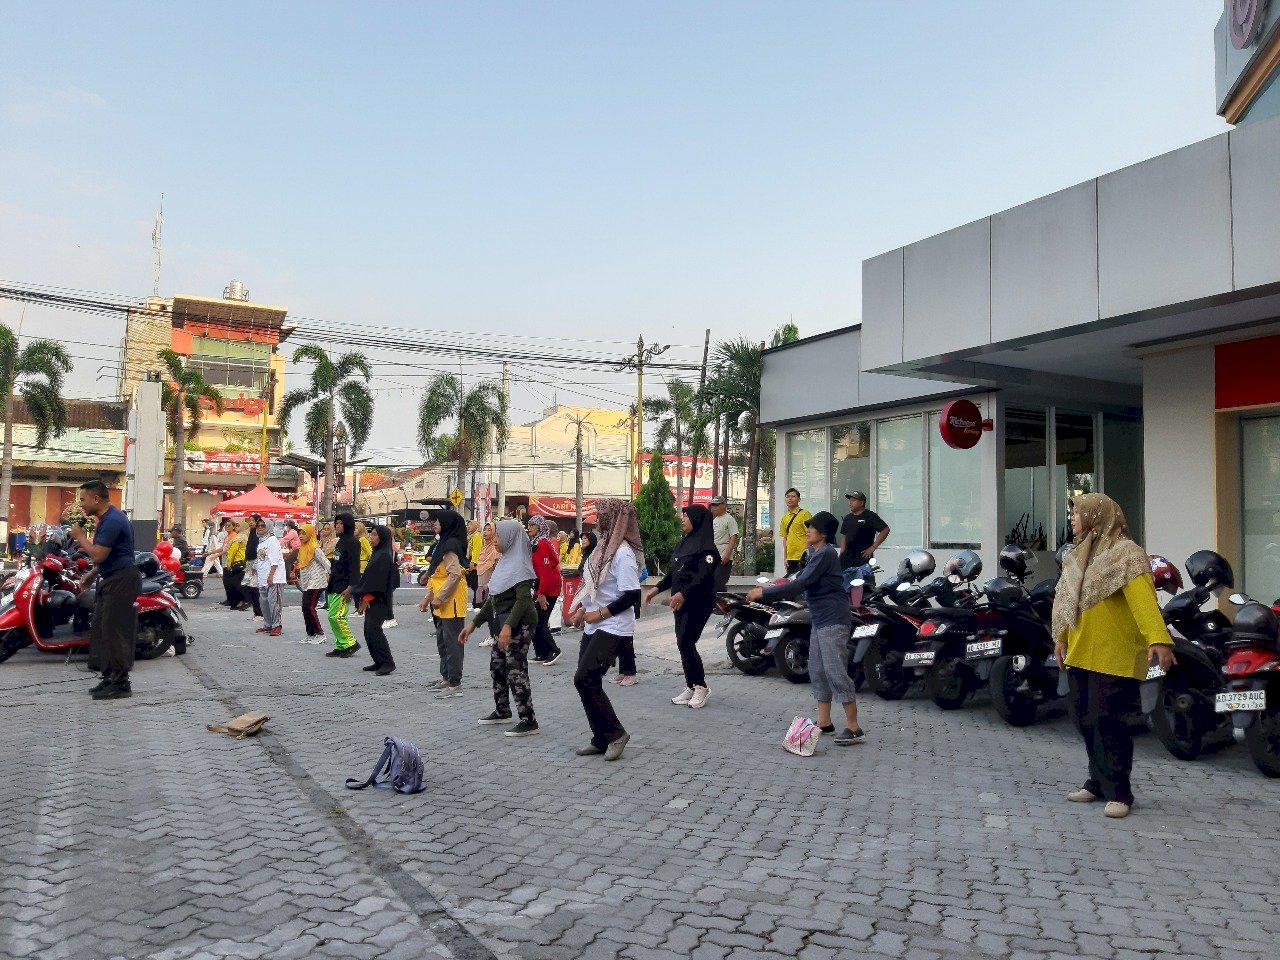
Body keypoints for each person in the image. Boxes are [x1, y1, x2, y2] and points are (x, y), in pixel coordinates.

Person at [1051, 493, 1175, 820]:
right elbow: (1066, 600)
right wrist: (1061, 637)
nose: (1072, 519)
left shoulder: (1127, 555)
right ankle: (1097, 781)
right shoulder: (1079, 555)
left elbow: (1144, 602)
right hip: (1080, 650)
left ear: (1097, 515)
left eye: (1077, 513)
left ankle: (1120, 791)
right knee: (1082, 717)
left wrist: (1158, 639)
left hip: (1115, 653)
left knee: (1110, 722)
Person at [749, 511, 865, 746]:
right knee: (817, 669)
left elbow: (801, 583)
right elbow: (797, 578)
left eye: (812, 527)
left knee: (834, 670)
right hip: (820, 619)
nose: (808, 530)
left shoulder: (826, 553)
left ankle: (854, 727)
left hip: (833, 618)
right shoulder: (815, 553)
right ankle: (824, 722)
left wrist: (764, 592)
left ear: (823, 534)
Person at [567, 498, 642, 761]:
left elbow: (632, 595)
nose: (596, 520)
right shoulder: (603, 549)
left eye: (601, 515)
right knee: (586, 681)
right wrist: (581, 611)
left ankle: (616, 734)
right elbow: (595, 587)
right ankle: (600, 738)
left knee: (584, 678)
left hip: (614, 626)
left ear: (613, 519)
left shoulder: (622, 554)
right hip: (594, 625)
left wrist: (598, 614)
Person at [460, 519, 540, 737]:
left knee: (516, 668)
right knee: (497, 666)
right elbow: (493, 600)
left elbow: (523, 601)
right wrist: (473, 624)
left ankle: (528, 719)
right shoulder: (504, 563)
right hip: (505, 623)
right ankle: (502, 710)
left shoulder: (521, 566)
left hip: (521, 623)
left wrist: (507, 628)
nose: (494, 540)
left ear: (509, 538)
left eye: (497, 536)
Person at [70, 480, 140, 701]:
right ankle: (110, 676)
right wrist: (91, 575)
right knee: (102, 631)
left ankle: (121, 684)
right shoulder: (106, 518)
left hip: (121, 581)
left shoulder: (112, 520)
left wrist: (80, 536)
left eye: (83, 499)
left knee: (115, 633)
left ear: (96, 499)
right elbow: (107, 556)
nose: (81, 504)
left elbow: (98, 554)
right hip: (111, 578)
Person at [645, 505, 719, 709]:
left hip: (698, 601)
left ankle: (701, 686)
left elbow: (703, 577)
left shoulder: (708, 548)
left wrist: (683, 593)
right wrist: (657, 589)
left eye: (686, 516)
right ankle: (691, 685)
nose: (682, 519)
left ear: (696, 519)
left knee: (687, 641)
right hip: (680, 602)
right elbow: (674, 573)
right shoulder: (685, 543)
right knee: (681, 642)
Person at [420, 509, 468, 697]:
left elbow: (454, 575)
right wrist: (428, 598)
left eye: (438, 521)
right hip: (441, 600)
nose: (435, 524)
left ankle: (455, 684)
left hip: (452, 600)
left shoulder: (450, 546)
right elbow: (437, 575)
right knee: (442, 641)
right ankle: (446, 677)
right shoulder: (442, 544)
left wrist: (440, 597)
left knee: (453, 642)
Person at [353, 524, 397, 675]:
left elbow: (379, 581)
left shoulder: (384, 555)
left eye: (375, 535)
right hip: (373, 599)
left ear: (382, 537)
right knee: (369, 631)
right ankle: (379, 661)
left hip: (378, 600)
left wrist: (366, 598)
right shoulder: (378, 553)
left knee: (374, 630)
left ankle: (387, 662)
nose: (371, 538)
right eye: (371, 534)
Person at [527, 515, 564, 665]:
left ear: (540, 527)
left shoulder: (542, 543)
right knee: (534, 620)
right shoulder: (535, 542)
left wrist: (541, 593)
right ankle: (541, 653)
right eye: (529, 524)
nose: (529, 527)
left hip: (548, 587)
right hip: (542, 585)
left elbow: (545, 571)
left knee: (540, 621)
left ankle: (554, 650)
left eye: (533, 525)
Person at [325, 513, 362, 658]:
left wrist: (352, 587)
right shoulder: (340, 541)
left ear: (347, 525)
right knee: (332, 616)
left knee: (337, 616)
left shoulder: (353, 542)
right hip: (334, 583)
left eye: (340, 523)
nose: (337, 526)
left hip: (344, 586)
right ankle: (341, 645)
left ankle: (351, 643)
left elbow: (354, 566)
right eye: (337, 523)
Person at [294, 523, 330, 643]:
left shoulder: (315, 548)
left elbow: (326, 563)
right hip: (308, 583)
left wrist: (333, 576)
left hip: (316, 582)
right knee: (305, 608)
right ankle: (311, 634)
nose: (301, 536)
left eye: (304, 533)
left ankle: (320, 634)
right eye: (299, 533)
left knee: (310, 607)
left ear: (310, 533)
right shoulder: (302, 548)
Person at [839, 491, 889, 572]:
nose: (850, 503)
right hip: (846, 559)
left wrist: (873, 547)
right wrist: (842, 551)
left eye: (853, 500)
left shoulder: (870, 516)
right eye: (850, 500)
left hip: (863, 559)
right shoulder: (848, 518)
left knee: (863, 583)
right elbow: (844, 535)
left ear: (861, 503)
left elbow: (885, 529)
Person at [254, 519, 285, 637]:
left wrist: (271, 576)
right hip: (263, 578)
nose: (260, 527)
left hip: (274, 577)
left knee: (274, 603)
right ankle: (268, 624)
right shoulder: (261, 541)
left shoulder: (272, 540)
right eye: (259, 526)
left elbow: (275, 561)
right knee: (264, 603)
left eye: (263, 525)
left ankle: (277, 625)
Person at [474, 522, 500, 648]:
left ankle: (494, 636)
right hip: (483, 584)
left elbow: (497, 568)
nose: (485, 532)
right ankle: (493, 635)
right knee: (488, 610)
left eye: (489, 530)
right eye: (485, 529)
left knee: (490, 611)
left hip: (491, 586)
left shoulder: (495, 549)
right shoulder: (485, 547)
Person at [779, 488, 812, 575]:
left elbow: (810, 535)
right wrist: (785, 558)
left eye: (793, 496)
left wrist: (806, 555)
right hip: (790, 557)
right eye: (788, 496)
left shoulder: (805, 514)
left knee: (802, 583)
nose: (790, 498)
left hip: (802, 556)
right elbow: (785, 538)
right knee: (791, 582)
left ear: (799, 499)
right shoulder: (784, 517)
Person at [709, 496, 739, 592]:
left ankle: (724, 602)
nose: (713, 507)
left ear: (723, 505)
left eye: (716, 505)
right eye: (712, 505)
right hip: (714, 555)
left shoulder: (729, 519)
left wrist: (727, 554)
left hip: (724, 555)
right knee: (711, 580)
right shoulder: (715, 520)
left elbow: (733, 538)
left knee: (719, 580)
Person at [222, 521, 248, 608]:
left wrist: (229, 564)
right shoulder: (243, 537)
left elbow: (232, 552)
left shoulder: (239, 538)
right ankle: (237, 602)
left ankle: (242, 601)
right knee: (236, 583)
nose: (236, 527)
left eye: (238, 525)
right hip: (241, 563)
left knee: (234, 584)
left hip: (237, 563)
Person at [244, 513, 263, 620]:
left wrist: (256, 565)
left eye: (253, 520)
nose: (250, 522)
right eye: (249, 520)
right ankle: (256, 612)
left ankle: (260, 613)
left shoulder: (258, 534)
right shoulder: (251, 532)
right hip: (249, 563)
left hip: (256, 563)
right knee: (250, 588)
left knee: (255, 588)